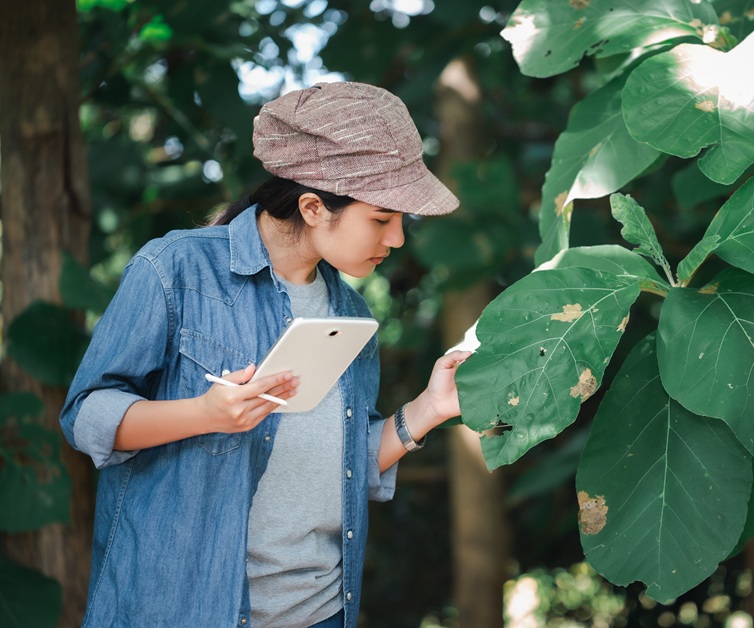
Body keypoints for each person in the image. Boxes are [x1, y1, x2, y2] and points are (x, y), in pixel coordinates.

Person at [60, 81, 471, 628]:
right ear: (312, 206)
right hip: (187, 609)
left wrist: (431, 409)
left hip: (322, 612)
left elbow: (342, 465)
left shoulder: (350, 315)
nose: (397, 239)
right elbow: (84, 416)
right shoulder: (174, 269)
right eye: (381, 218)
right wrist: (203, 414)